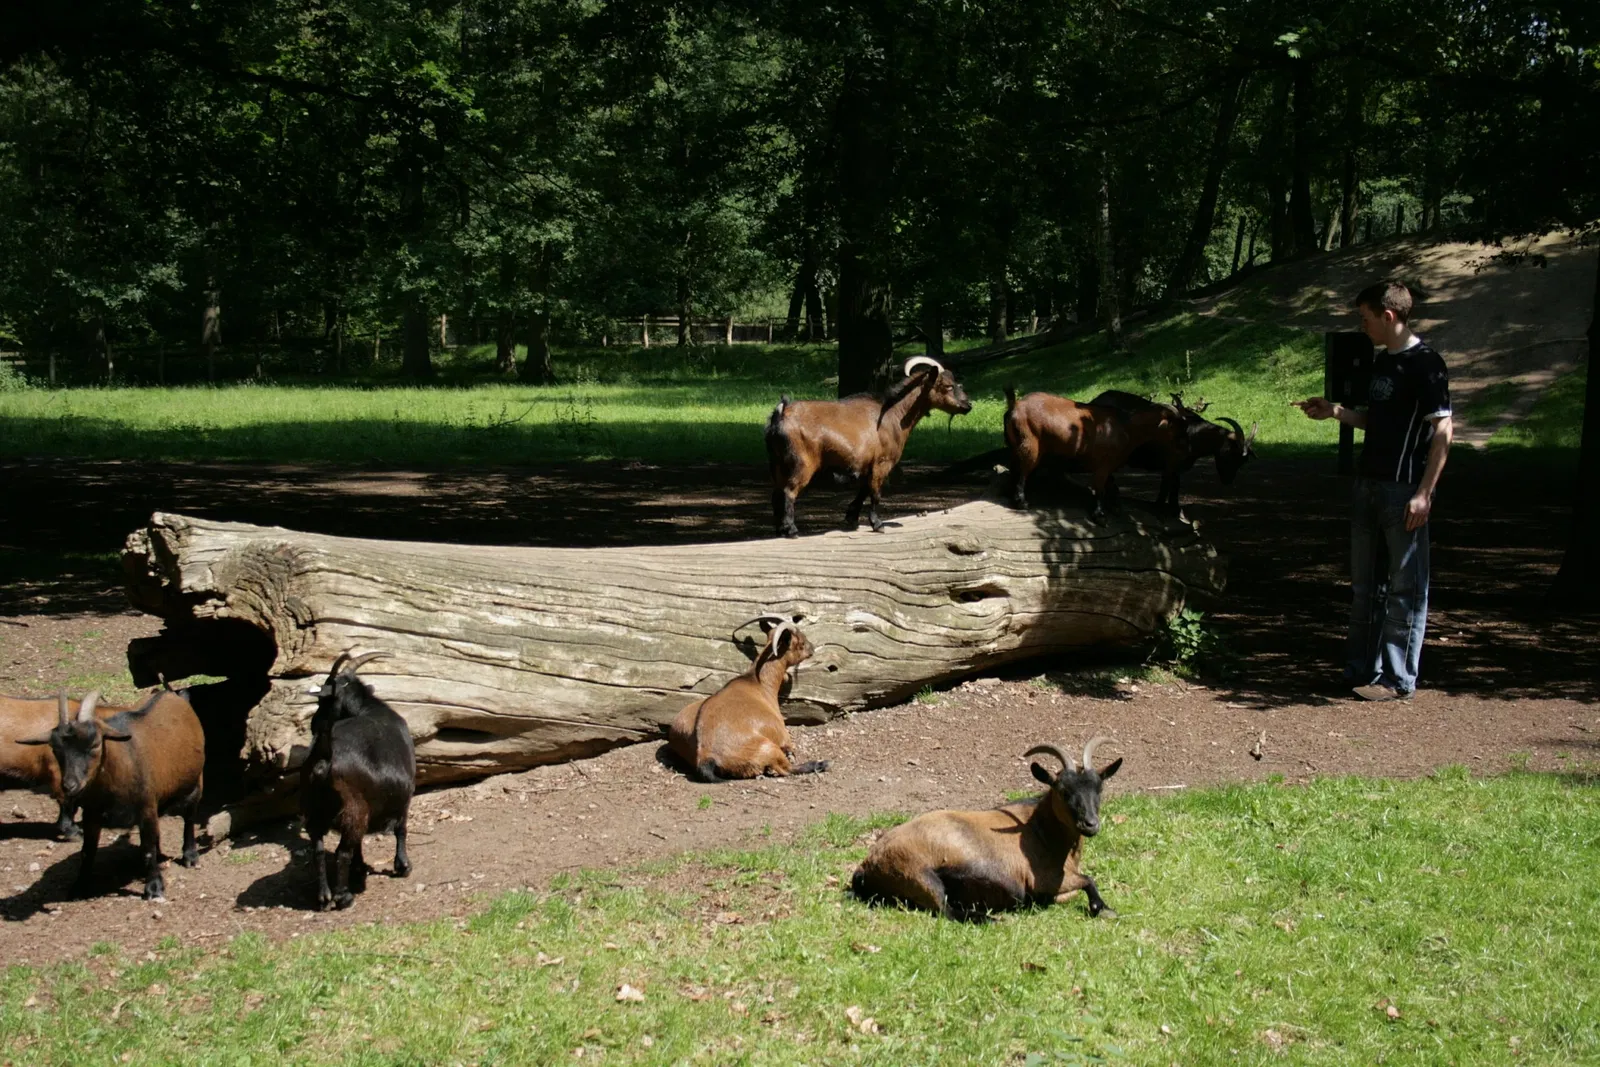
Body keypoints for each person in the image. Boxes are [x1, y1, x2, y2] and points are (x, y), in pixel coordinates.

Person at [1293, 280, 1453, 701]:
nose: (1361, 326)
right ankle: (1360, 669)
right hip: (1367, 487)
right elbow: (1378, 422)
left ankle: (1397, 680)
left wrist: (1424, 493)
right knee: (1365, 588)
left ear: (1389, 316)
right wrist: (1335, 412)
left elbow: (1443, 430)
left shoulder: (1427, 365)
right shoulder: (1383, 362)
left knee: (1405, 588)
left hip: (1403, 491)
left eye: (1365, 318)